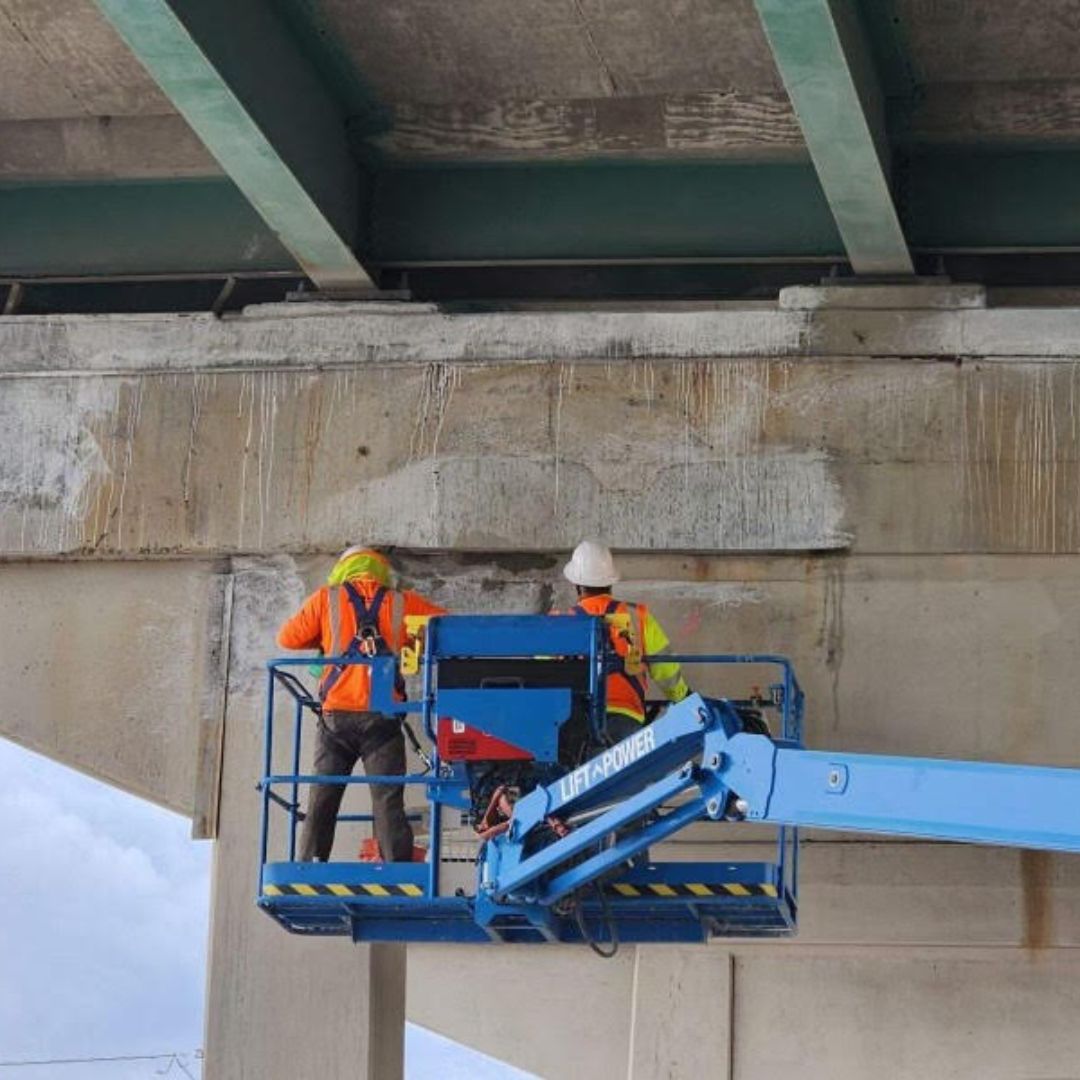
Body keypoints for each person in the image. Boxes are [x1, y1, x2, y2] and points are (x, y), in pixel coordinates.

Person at [277, 546, 445, 862]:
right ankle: (396, 866)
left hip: (336, 718)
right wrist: (408, 641)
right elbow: (446, 628)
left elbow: (288, 638)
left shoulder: (327, 600)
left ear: (344, 570)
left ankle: (310, 863)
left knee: (323, 793)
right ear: (381, 571)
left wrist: (325, 638)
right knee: (387, 797)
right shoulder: (402, 603)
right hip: (382, 717)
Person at [562, 539, 690, 747]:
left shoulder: (561, 623)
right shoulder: (637, 616)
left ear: (577, 585)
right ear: (610, 582)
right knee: (629, 779)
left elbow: (542, 675)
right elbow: (664, 666)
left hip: (577, 720)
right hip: (627, 716)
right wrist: (683, 698)